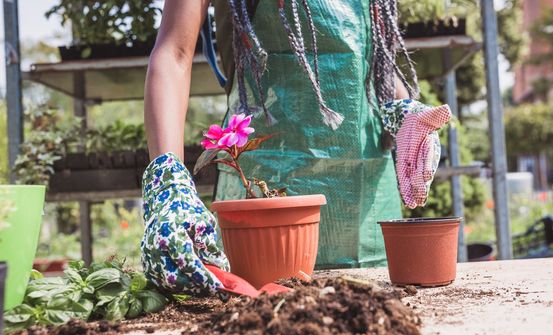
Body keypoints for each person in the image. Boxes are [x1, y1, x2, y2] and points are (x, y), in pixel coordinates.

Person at [141, 0, 424, 294]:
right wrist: (168, 181)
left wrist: (403, 110)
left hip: (365, 205)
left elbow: (373, 59)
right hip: (259, 203)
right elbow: (174, 52)